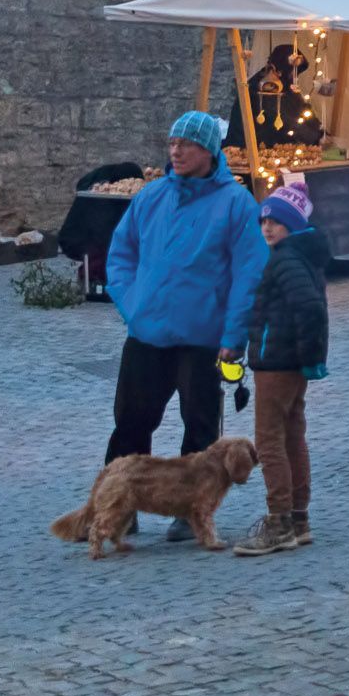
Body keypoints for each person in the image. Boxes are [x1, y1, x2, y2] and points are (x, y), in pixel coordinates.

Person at [102, 112, 268, 541]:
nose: (176, 150)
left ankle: (190, 510)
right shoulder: (151, 197)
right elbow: (121, 254)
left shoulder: (236, 205)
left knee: (199, 426)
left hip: (203, 339)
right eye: (173, 142)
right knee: (131, 424)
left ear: (209, 150)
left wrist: (233, 338)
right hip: (148, 333)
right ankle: (119, 505)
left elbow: (249, 277)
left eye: (187, 144)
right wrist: (132, 304)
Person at [230, 179, 329, 557]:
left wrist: (308, 356)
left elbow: (309, 309)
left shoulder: (286, 259)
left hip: (277, 362)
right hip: (288, 361)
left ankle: (279, 522)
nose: (267, 227)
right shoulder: (298, 255)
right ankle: (299, 519)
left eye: (276, 221)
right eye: (263, 221)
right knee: (292, 436)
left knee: (270, 441)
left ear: (294, 224)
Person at [247, 47, 324, 149]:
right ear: (282, 68)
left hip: (282, 144)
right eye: (293, 70)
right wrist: (316, 138)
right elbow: (286, 120)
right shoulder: (265, 86)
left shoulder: (286, 84)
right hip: (257, 148)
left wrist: (321, 132)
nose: (295, 75)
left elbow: (302, 109)